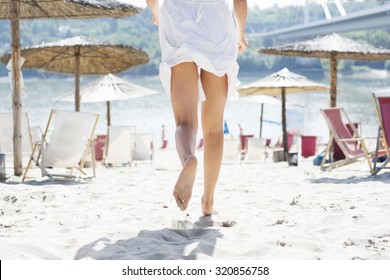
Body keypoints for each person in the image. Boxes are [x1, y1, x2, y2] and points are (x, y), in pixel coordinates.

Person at [146, 0, 248, 215]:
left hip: (177, 19)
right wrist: (240, 33)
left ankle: (188, 159)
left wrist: (157, 13)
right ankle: (208, 201)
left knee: (185, 122)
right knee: (213, 128)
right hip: (217, 24)